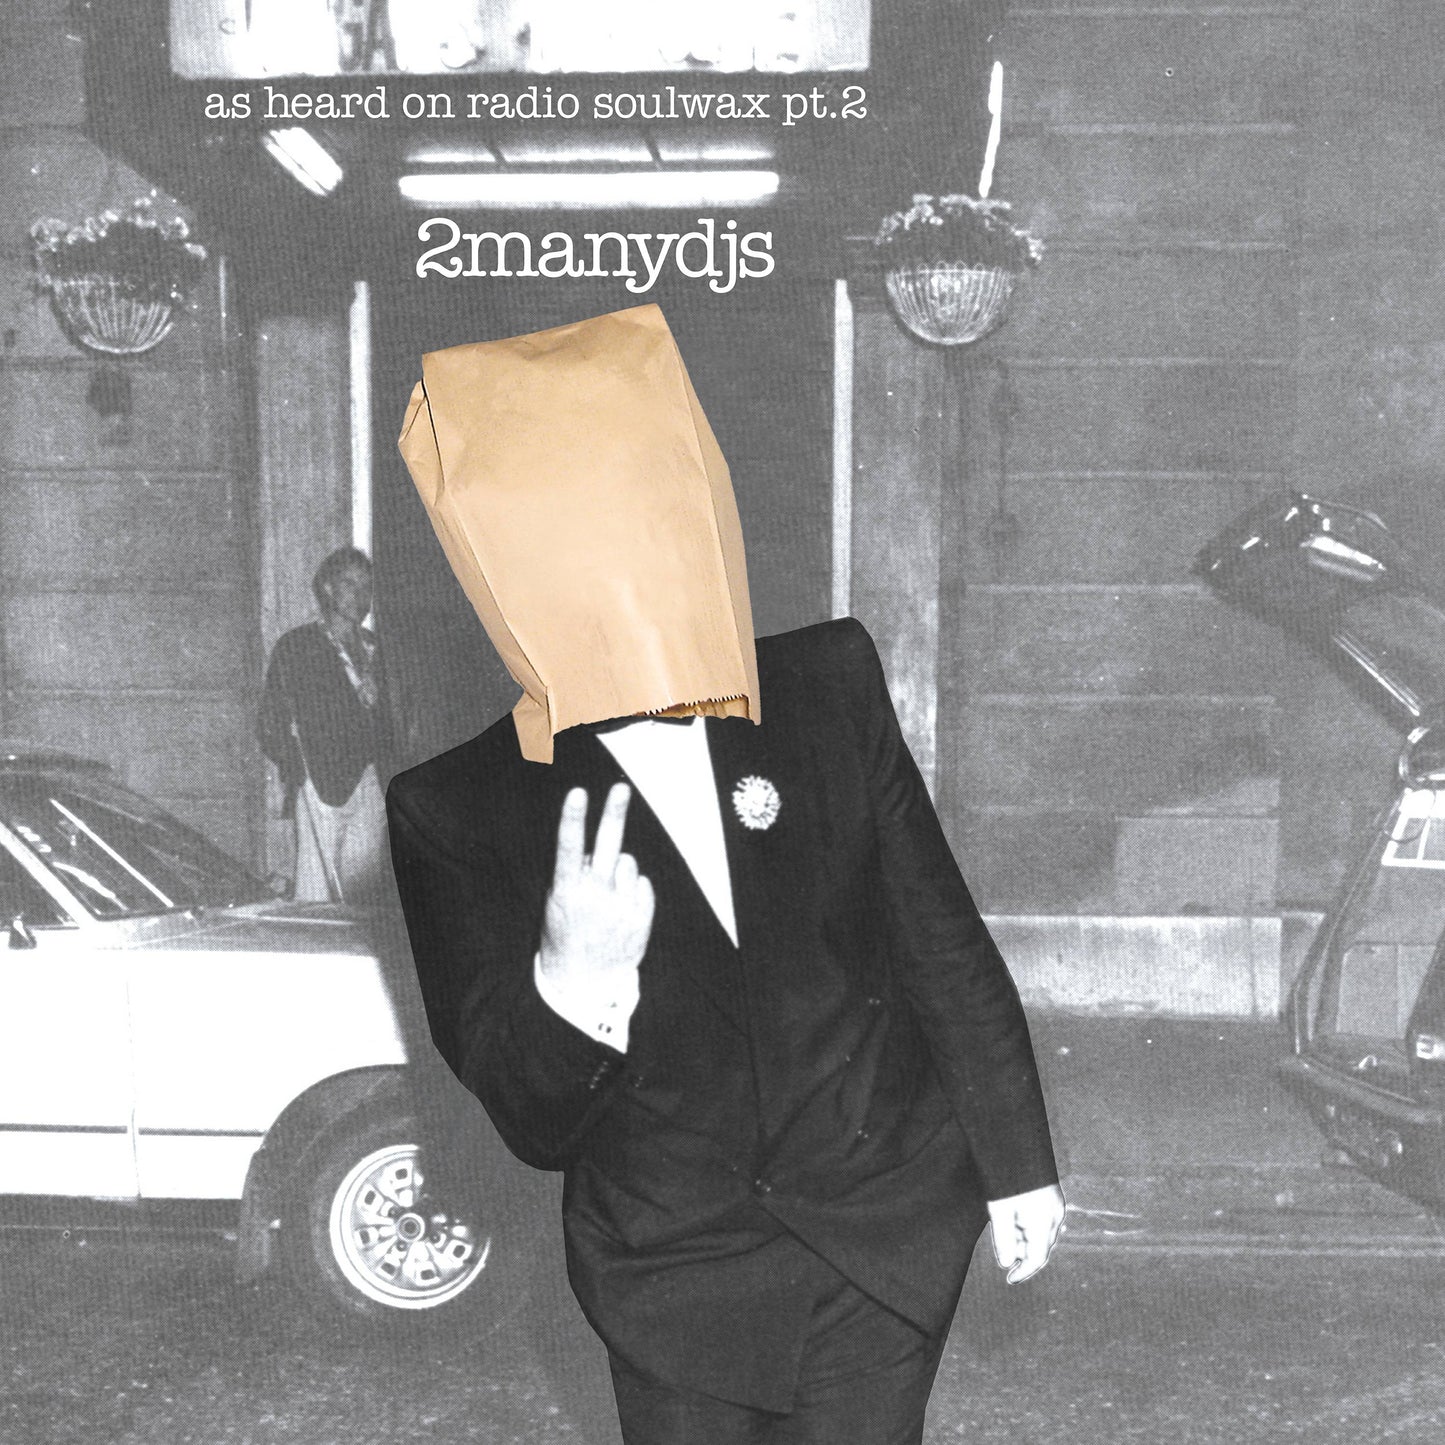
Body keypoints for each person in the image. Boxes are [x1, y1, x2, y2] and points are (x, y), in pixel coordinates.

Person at [386, 307, 1064, 1444]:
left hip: (876, 1233)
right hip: (674, 1276)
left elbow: (939, 942)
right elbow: (529, 1120)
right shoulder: (456, 807)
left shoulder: (828, 686)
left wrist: (1018, 1164)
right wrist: (573, 983)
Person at [258, 546, 394, 903]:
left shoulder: (374, 648)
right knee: (316, 889)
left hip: (369, 782)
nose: (360, 596)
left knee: (362, 891)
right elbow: (271, 722)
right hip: (320, 781)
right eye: (350, 584)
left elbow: (393, 719)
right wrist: (297, 770)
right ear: (328, 588)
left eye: (367, 586)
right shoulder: (297, 646)